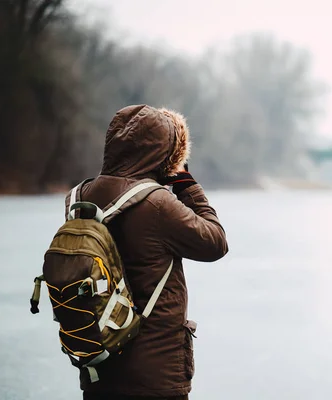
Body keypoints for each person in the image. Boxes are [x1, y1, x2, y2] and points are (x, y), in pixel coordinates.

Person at [76, 104, 229, 400]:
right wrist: (185, 182)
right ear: (167, 155)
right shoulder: (157, 203)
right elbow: (215, 243)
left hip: (98, 362)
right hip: (154, 373)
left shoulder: (81, 195)